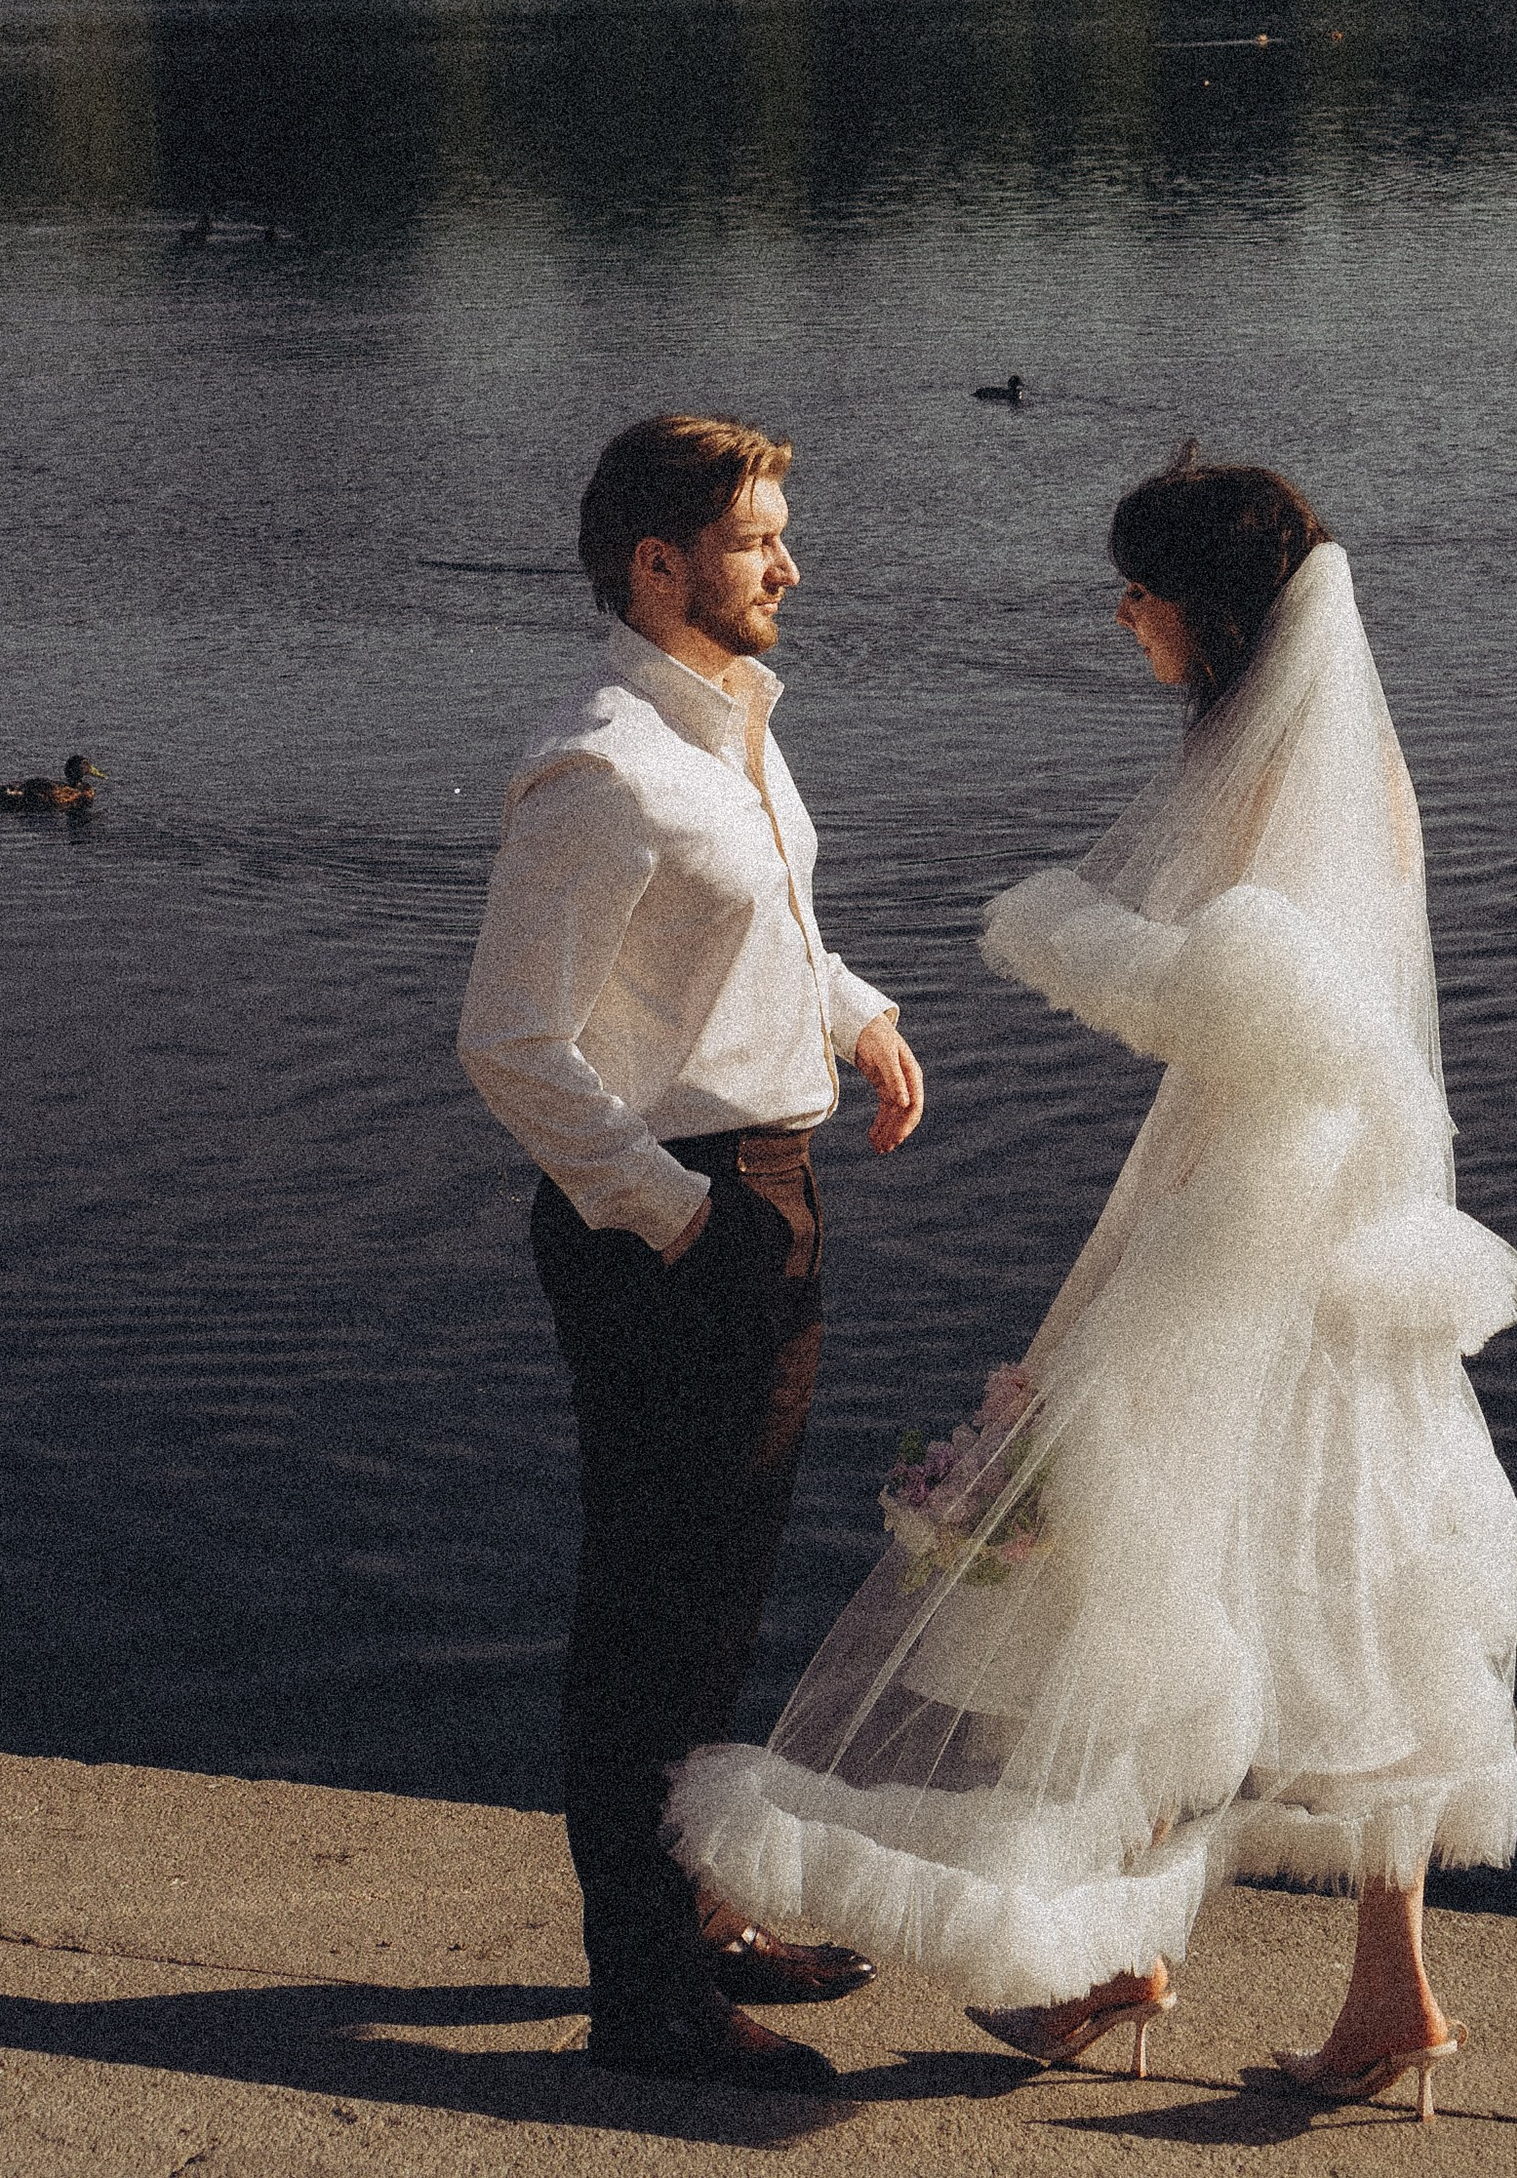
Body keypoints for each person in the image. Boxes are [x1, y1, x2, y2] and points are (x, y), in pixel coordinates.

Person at [670, 449, 1517, 2128]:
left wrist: (1071, 971)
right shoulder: (1368, 771)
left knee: (1128, 1592)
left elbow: (1256, 1040)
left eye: (1135, 590)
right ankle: (1382, 1991)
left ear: (1202, 611)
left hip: (1242, 1240)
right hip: (1352, 1244)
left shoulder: (1279, 788)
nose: (1120, 616)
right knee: (1345, 1595)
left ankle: (1103, 1961)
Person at [459, 412, 926, 2094]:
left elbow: (748, 930)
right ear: (657, 566)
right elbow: (511, 1043)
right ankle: (643, 1993)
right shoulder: (601, 768)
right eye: (755, 541)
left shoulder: (728, 729)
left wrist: (854, 1012)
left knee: (717, 1597)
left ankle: (702, 1911)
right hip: (673, 1215)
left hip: (756, 1187)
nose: (789, 565)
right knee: (654, 1613)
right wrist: (678, 1216)